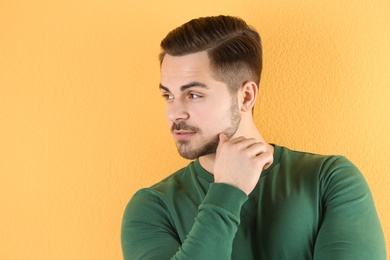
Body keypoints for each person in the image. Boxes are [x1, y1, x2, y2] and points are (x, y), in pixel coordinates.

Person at [121, 15, 386, 259]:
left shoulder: (328, 180)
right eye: (168, 95)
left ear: (246, 96)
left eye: (193, 95)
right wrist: (227, 191)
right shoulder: (152, 207)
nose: (175, 112)